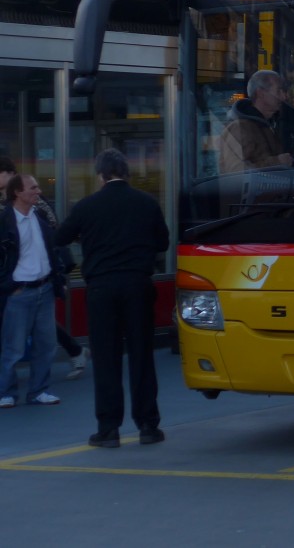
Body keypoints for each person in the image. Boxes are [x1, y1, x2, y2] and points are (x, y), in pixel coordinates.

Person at [54, 149, 169, 448]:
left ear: (100, 176)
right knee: (142, 355)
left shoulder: (87, 206)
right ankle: (148, 425)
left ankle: (108, 429)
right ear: (126, 173)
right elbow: (163, 242)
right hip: (137, 283)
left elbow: (60, 237)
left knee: (106, 358)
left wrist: (88, 238)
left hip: (101, 287)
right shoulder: (146, 202)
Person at [0, 156, 88, 380]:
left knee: (36, 321)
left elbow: (52, 227)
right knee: (30, 320)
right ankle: (74, 350)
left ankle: (73, 351)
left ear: (9, 174)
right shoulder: (6, 199)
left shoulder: (31, 198)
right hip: (18, 271)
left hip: (44, 265)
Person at [0, 172, 65, 408]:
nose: (38, 191)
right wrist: (9, 287)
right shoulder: (4, 221)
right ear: (17, 192)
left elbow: (54, 248)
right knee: (13, 348)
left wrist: (57, 278)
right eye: (33, 188)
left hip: (44, 288)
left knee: (45, 345)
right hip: (19, 292)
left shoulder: (40, 216)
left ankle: (39, 390)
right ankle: (6, 392)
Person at [218, 69, 294, 172]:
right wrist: (277, 162)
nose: (284, 97)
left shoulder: (267, 124)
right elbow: (235, 172)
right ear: (261, 93)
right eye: (278, 91)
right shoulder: (239, 127)